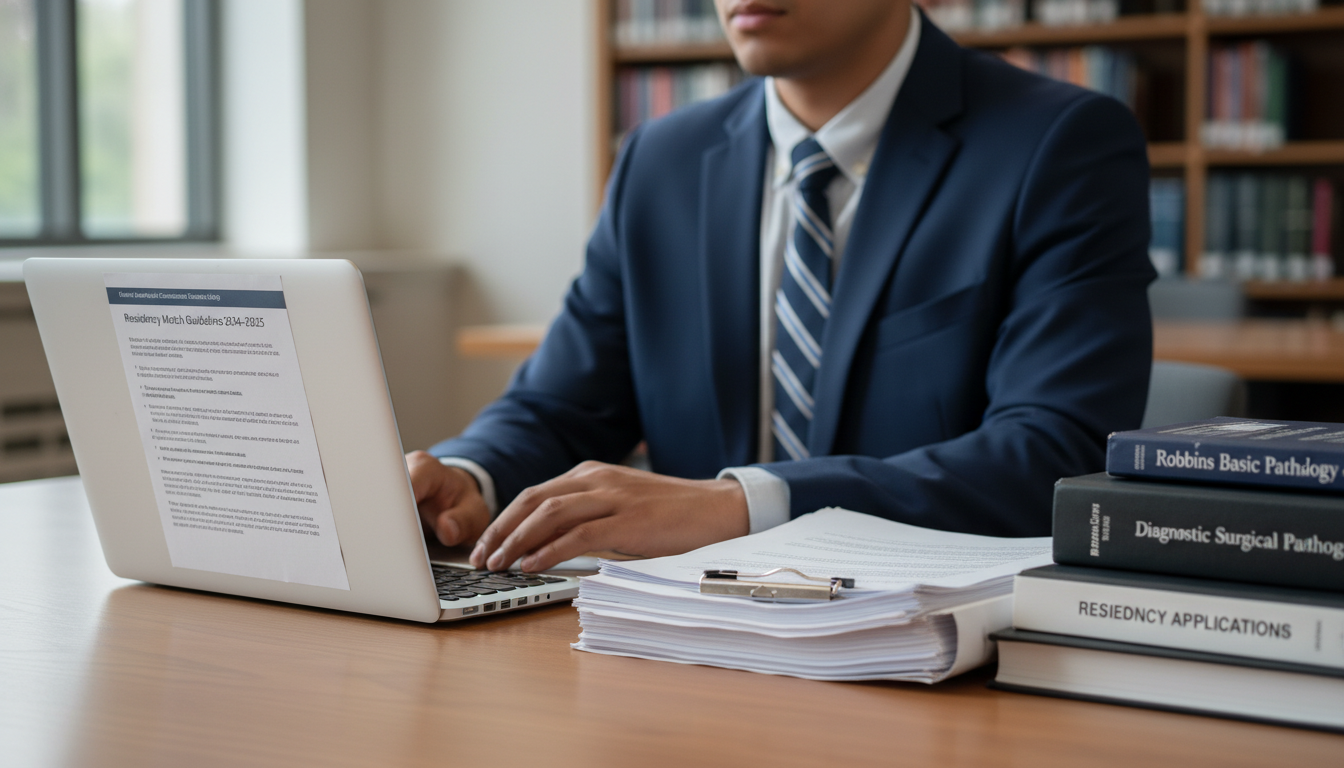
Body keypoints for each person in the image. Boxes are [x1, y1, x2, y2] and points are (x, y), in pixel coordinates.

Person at [406, 0, 1155, 573]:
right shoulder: (660, 160)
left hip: (924, 654)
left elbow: (1052, 454)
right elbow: (563, 404)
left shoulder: (1061, 144)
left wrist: (743, 505)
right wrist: (472, 476)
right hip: (683, 639)